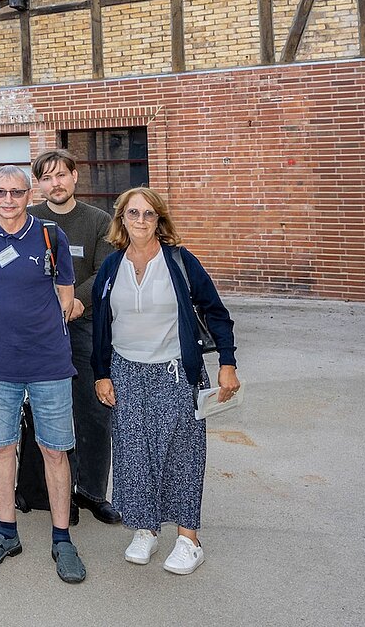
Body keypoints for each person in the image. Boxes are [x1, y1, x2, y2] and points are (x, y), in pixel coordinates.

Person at [91, 187, 240, 575]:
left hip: (175, 370)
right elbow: (102, 326)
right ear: (121, 219)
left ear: (160, 220)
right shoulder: (111, 266)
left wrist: (228, 362)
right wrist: (101, 373)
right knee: (135, 454)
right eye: (133, 214)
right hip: (126, 371)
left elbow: (216, 312)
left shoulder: (179, 261)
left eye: (149, 215)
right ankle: (145, 529)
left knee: (182, 454)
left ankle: (189, 539)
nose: (140, 221)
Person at [0, 166, 86, 584]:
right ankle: (7, 533)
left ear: (28, 194)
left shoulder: (51, 235)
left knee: (54, 450)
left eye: (17, 192)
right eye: (1, 192)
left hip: (48, 363)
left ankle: (62, 538)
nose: (8, 199)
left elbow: (66, 297)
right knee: (0, 448)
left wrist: (35, 331)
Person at [29, 150, 119, 525]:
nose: (56, 184)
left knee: (93, 411)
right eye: (48, 178)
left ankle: (93, 491)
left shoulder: (98, 220)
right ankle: (49, 490)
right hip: (38, 328)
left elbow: (105, 270)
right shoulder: (30, 218)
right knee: (47, 411)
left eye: (61, 175)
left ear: (75, 176)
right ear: (40, 184)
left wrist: (77, 301)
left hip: (85, 327)